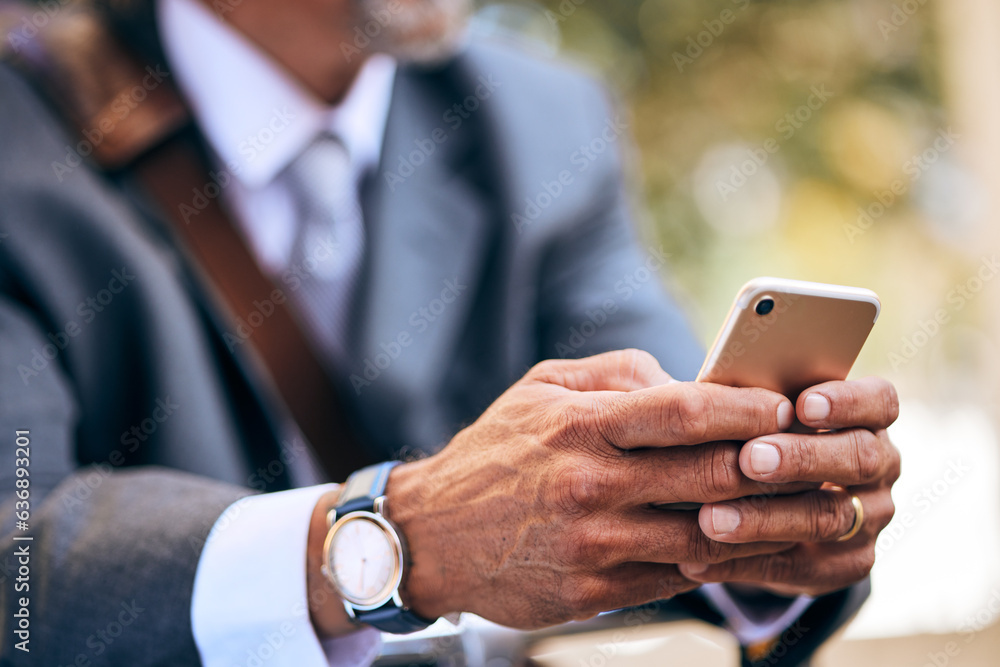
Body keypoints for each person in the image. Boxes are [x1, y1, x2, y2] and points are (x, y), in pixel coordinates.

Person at [0, 0, 900, 664]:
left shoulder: (542, 123)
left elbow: (648, 428)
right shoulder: (21, 129)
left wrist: (747, 526)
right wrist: (398, 540)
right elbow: (17, 570)